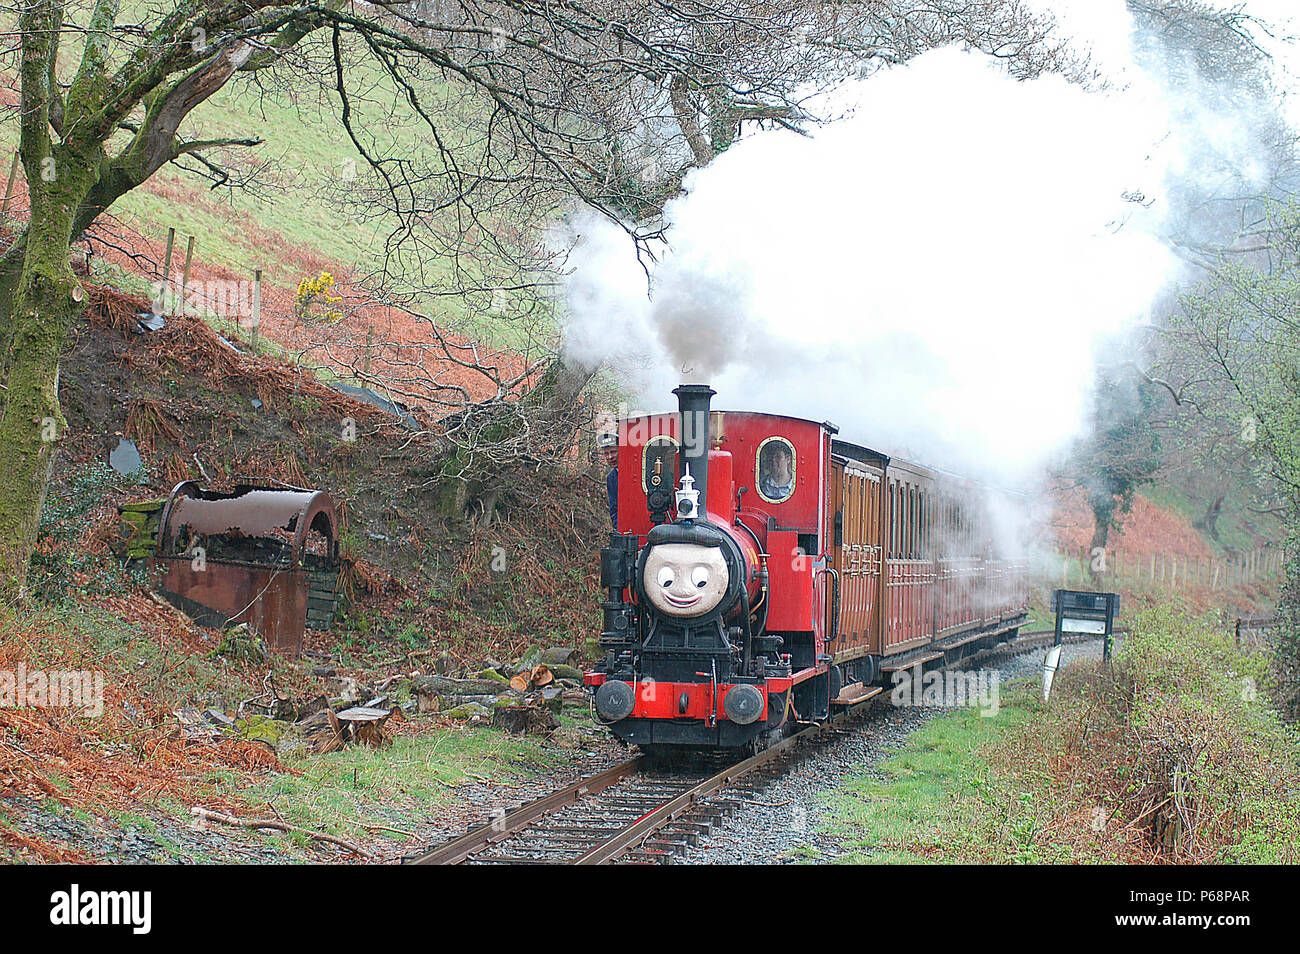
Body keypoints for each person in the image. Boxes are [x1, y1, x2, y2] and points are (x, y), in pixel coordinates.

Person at [599, 432, 619, 527]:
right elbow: (614, 509)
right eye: (606, 454)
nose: (610, 457)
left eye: (613, 452)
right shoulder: (611, 478)